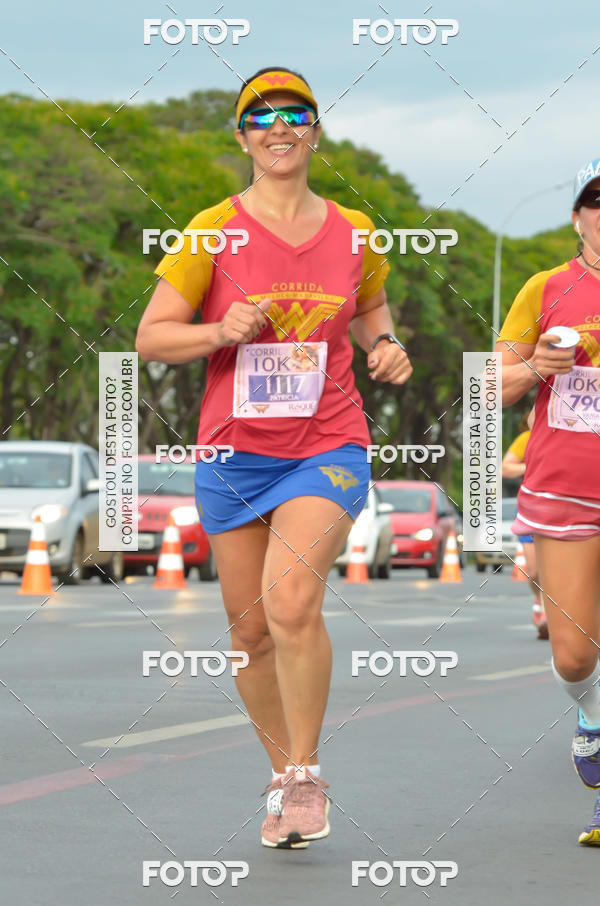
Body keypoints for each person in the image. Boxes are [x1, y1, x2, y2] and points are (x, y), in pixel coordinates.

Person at [135, 67, 412, 849]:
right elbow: (152, 337)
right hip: (233, 454)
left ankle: (307, 774)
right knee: (251, 634)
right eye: (261, 118)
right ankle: (283, 777)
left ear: (315, 131)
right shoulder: (211, 230)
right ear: (242, 137)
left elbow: (370, 309)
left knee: (291, 603)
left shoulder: (355, 230)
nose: (279, 128)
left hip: (327, 444)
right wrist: (216, 332)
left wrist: (386, 344)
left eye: (295, 114)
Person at [496, 157, 600, 845]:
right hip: (566, 490)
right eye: (598, 200)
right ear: (577, 217)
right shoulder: (546, 288)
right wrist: (537, 365)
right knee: (573, 655)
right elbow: (489, 388)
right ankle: (591, 715)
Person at [501, 414, 548, 639]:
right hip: (531, 508)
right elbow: (505, 468)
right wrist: (532, 466)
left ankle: (550, 612)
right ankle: (539, 600)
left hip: (562, 508)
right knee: (535, 571)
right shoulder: (526, 439)